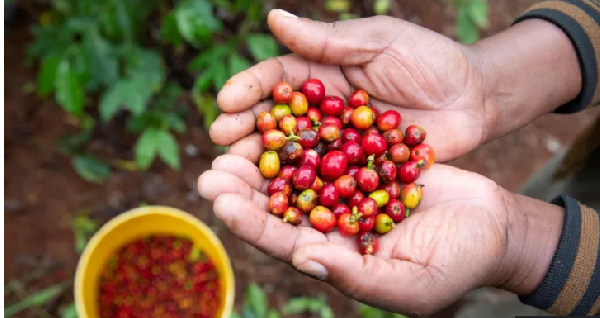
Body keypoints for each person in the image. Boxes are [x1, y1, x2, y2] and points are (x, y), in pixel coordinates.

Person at [198, 0, 600, 316]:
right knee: (561, 188)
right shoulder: (348, 151)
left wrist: (525, 246)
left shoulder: (355, 170)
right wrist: (483, 81)